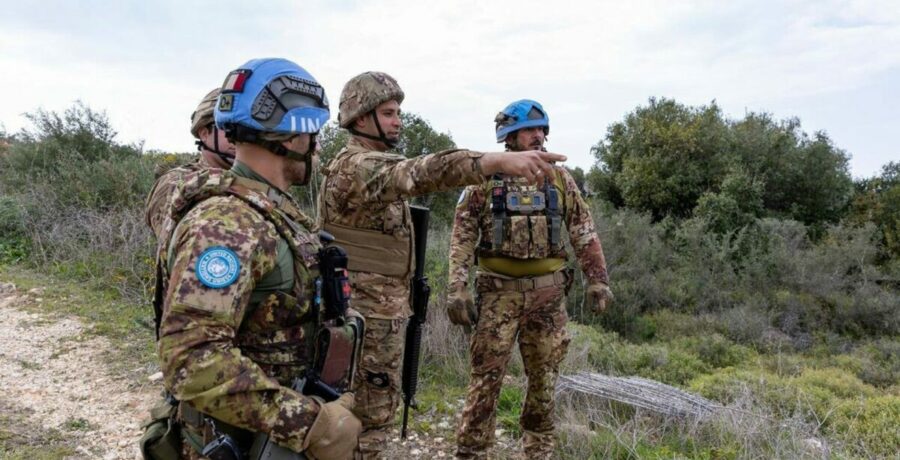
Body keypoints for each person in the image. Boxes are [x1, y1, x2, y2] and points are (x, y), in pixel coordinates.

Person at [317, 72, 566, 458]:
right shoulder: (360, 167)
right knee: (366, 420)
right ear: (361, 118)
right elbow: (423, 172)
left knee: (372, 413)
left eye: (399, 111)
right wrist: (493, 161)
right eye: (388, 112)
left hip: (374, 317)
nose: (398, 120)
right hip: (365, 318)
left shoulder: (365, 164)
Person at [154, 58, 361, 460]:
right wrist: (308, 423)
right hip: (246, 443)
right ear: (291, 138)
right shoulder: (229, 224)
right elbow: (191, 358)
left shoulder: (266, 210)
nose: (316, 146)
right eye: (313, 135)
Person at [447, 99, 612, 459]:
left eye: (541, 130)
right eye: (529, 130)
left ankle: (538, 452)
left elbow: (583, 231)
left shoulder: (559, 178)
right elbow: (461, 236)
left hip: (548, 298)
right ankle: (471, 453)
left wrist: (597, 280)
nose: (538, 136)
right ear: (509, 136)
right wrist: (456, 287)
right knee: (485, 382)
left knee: (543, 382)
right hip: (497, 296)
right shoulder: (484, 180)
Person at [145, 88, 236, 238]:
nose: (237, 137)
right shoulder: (175, 182)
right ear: (204, 133)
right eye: (228, 127)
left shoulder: (253, 179)